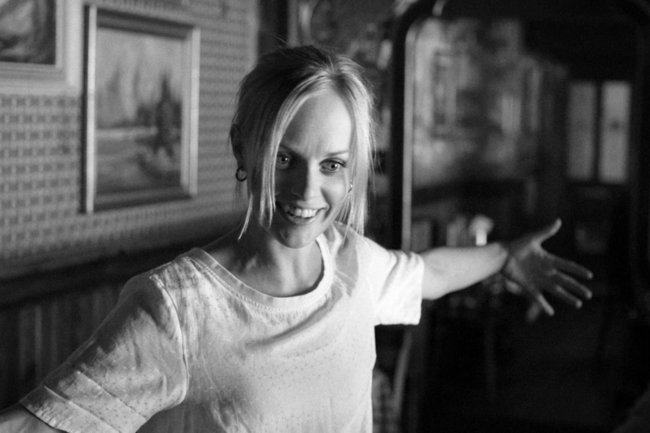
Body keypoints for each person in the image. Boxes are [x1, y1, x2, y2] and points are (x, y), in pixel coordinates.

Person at [0, 45, 592, 433]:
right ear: (243, 147)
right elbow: (43, 423)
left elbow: (430, 273)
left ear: (353, 171)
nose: (307, 189)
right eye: (285, 157)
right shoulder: (179, 308)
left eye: (332, 164)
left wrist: (505, 256)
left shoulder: (353, 263)